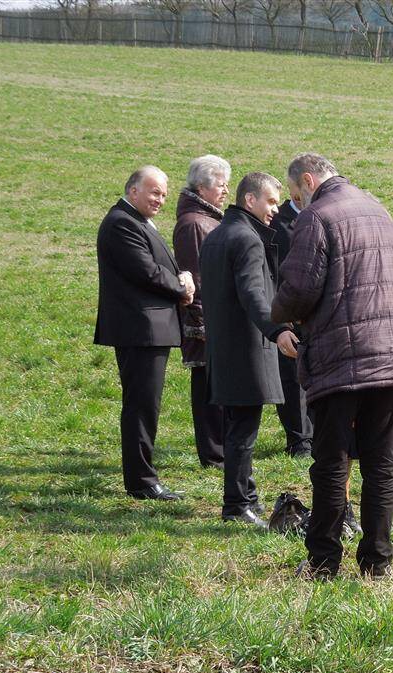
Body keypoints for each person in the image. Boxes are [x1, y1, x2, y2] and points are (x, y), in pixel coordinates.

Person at [271, 153, 393, 579]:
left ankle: (323, 561)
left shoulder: (316, 217)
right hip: (389, 357)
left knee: (331, 464)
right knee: (380, 465)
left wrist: (279, 316)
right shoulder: (379, 210)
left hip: (339, 359)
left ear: (308, 180)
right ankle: (377, 562)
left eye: (295, 193)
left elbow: (300, 288)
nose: (297, 202)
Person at [199, 172, 297, 528]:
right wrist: (278, 330)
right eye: (270, 201)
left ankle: (245, 497)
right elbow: (253, 294)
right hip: (245, 351)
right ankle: (238, 505)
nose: (275, 209)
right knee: (243, 432)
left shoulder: (217, 235)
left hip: (223, 349)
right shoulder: (247, 239)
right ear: (250, 200)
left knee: (236, 429)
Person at [94, 166, 195, 500]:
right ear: (133, 190)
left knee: (146, 405)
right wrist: (181, 286)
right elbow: (147, 272)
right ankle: (141, 481)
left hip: (149, 329)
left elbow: (156, 267)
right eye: (154, 192)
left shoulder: (135, 221)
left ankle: (142, 476)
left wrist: (180, 278)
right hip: (140, 331)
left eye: (164, 194)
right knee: (141, 406)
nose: (160, 200)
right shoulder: (121, 223)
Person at [173, 154, 231, 469]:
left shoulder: (207, 219)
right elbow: (194, 277)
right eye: (220, 185)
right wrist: (202, 322)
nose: (225, 191)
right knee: (208, 389)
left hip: (217, 318)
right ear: (201, 187)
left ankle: (221, 449)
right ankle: (213, 453)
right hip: (206, 322)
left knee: (219, 387)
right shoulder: (194, 223)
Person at [269, 178, 314, 458]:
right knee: (291, 375)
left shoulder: (321, 217)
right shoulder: (277, 223)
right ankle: (299, 439)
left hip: (317, 312)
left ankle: (318, 432)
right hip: (288, 311)